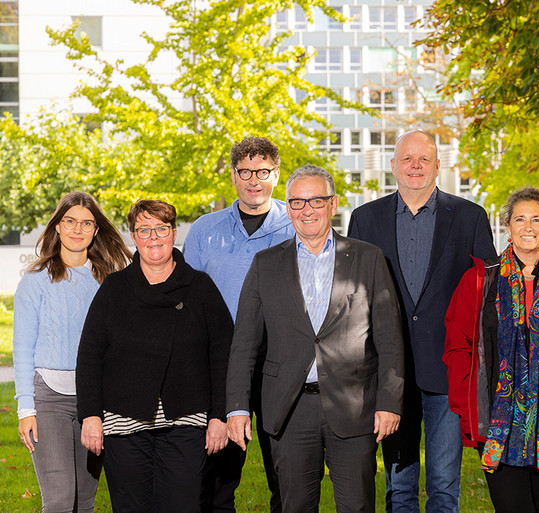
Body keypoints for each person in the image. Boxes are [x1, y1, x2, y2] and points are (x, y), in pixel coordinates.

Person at [226, 165, 404, 513]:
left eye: (316, 200)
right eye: (297, 202)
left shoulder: (368, 258)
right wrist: (237, 407)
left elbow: (389, 339)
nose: (306, 210)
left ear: (333, 203)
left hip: (355, 406)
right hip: (289, 410)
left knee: (357, 506)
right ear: (288, 207)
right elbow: (244, 344)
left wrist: (390, 402)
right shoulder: (266, 264)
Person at [347, 129, 496, 512]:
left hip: (448, 369)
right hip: (388, 372)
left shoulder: (469, 217)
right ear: (393, 166)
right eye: (407, 159)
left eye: (424, 159)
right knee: (399, 488)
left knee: (444, 485)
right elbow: (352, 297)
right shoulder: (365, 219)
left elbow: (487, 297)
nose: (415, 166)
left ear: (437, 166)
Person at [444, 186, 539, 513]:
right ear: (507, 226)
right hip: (497, 421)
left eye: (536, 220)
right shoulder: (479, 279)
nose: (528, 227)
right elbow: (458, 347)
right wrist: (469, 406)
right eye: (520, 219)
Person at [77, 200, 233, 513]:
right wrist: (90, 415)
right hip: (125, 424)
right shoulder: (115, 288)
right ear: (133, 236)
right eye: (144, 230)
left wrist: (220, 416)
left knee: (183, 506)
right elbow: (90, 355)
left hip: (186, 423)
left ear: (174, 233)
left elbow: (223, 356)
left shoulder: (200, 287)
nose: (153, 237)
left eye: (161, 229)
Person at [184, 136, 293, 513]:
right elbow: (187, 300)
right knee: (216, 475)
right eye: (245, 171)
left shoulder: (296, 226)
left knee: (286, 474)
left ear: (276, 175)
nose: (253, 180)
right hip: (223, 366)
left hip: (281, 365)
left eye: (262, 171)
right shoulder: (204, 230)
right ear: (233, 176)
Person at [13, 191, 131, 513]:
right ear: (57, 227)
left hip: (96, 402)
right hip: (48, 400)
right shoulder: (35, 282)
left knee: (85, 502)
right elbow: (22, 347)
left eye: (86, 223)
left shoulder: (110, 282)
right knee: (61, 501)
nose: (77, 229)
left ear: (95, 230)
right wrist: (26, 410)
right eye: (70, 221)